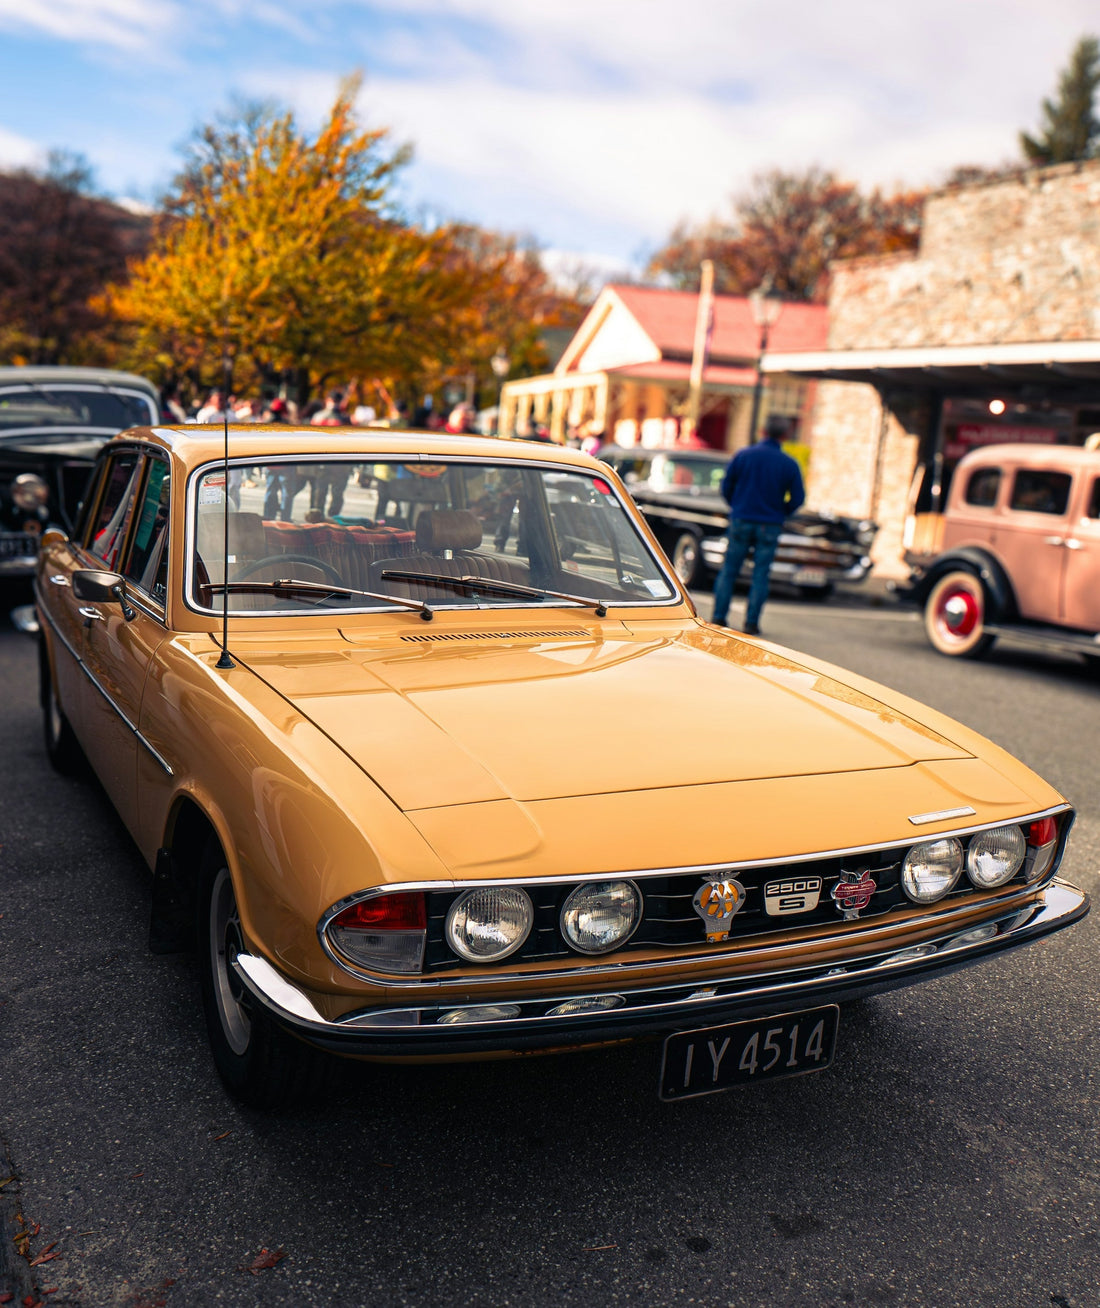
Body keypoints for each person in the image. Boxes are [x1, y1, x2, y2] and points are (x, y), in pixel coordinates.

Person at [711, 413, 805, 635]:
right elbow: (798, 498)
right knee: (761, 574)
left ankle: (718, 617)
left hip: (741, 519)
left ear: (763, 431)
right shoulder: (789, 464)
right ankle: (751, 622)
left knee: (730, 570)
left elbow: (726, 487)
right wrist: (781, 512)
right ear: (785, 435)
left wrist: (737, 506)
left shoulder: (743, 455)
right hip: (769, 524)